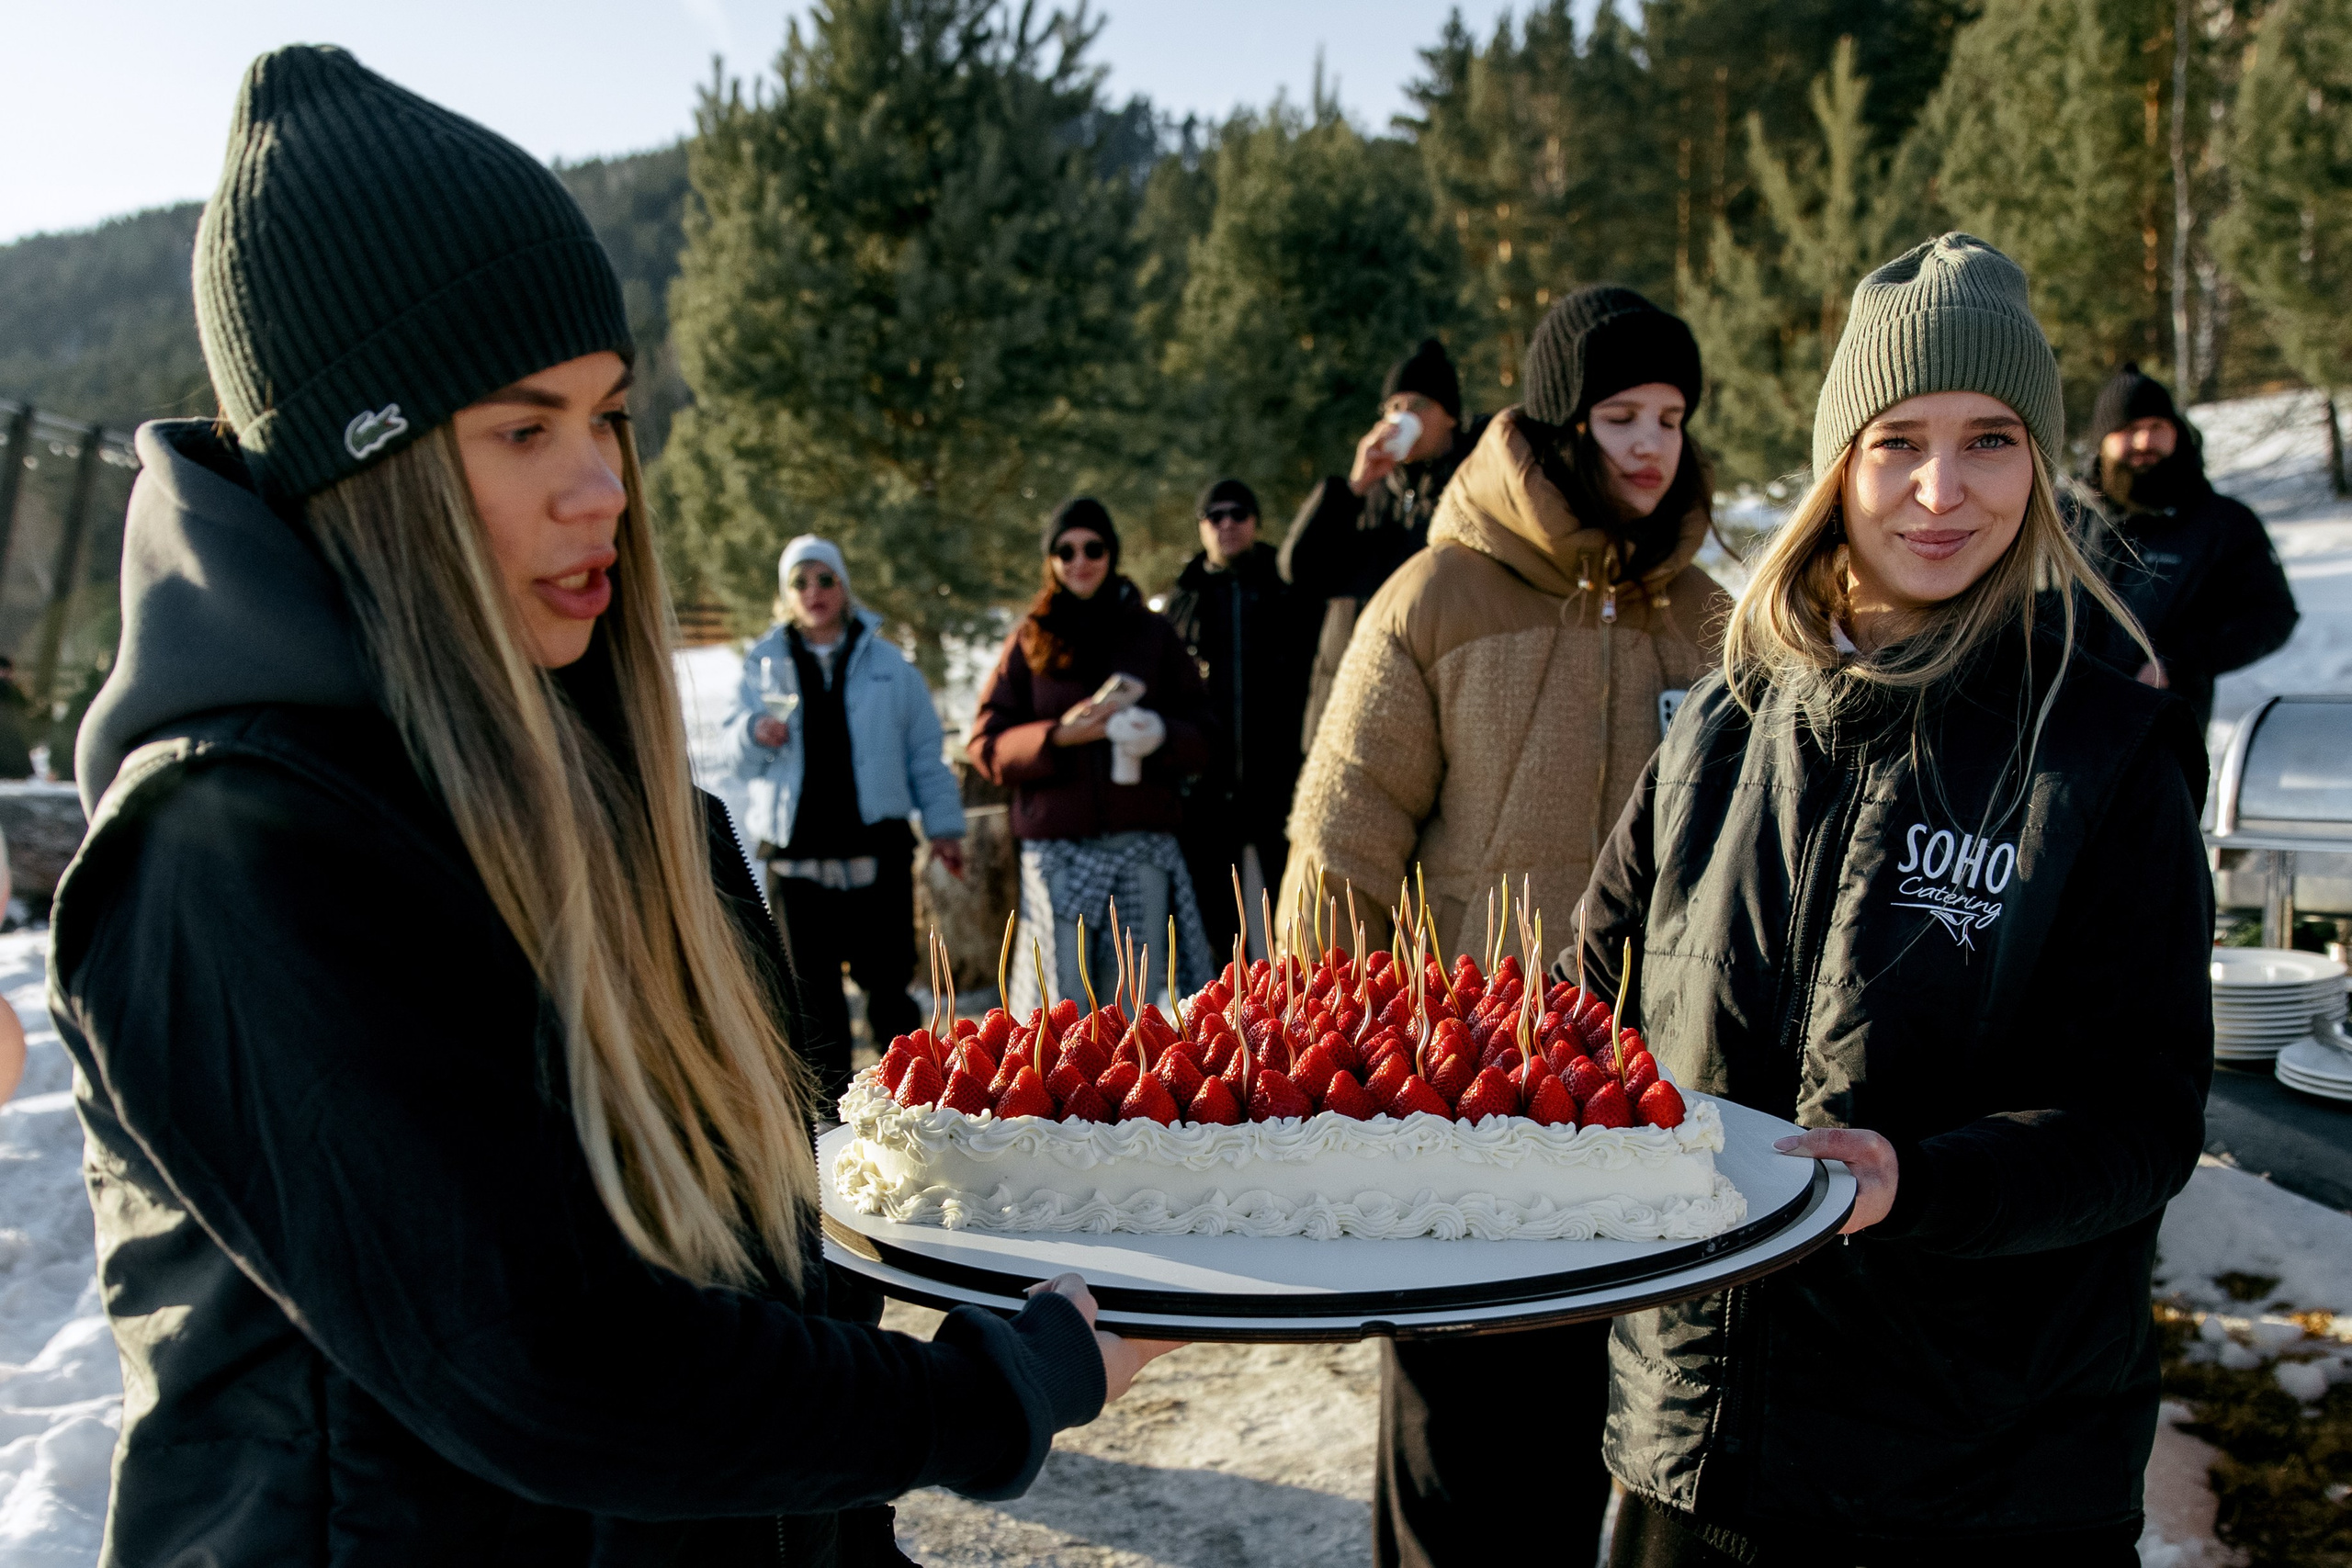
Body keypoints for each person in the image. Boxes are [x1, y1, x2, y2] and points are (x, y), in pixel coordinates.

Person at [46, 48, 1164, 1568]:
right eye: (523, 431)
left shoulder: (650, 820)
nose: (603, 490)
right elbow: (541, 1360)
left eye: (611, 417)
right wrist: (983, 1395)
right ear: (368, 475)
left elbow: (775, 1281)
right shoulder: (225, 855)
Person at [1573, 235, 2211, 1566]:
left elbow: (2140, 1124)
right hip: (1693, 1450)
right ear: (1838, 466)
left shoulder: (2097, 750)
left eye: (1990, 439)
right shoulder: (1723, 726)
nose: (1942, 489)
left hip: (1981, 1477)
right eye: (1898, 439)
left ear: (2039, 462)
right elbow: (1581, 1018)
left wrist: (1915, 1181)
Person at [1282, 286, 1731, 1568]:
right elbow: (1340, 851)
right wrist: (1342, 1087)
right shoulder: (1435, 599)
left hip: (1649, 1104)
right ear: (1553, 424)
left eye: (1673, 417)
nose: (1652, 444)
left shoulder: (1708, 618)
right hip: (1459, 1110)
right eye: (1622, 414)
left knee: (1620, 1448)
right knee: (1461, 1467)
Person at [724, 533, 966, 1105]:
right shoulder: (763, 662)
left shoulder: (888, 665)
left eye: (825, 579)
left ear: (843, 586)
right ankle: (829, 1124)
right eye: (800, 582)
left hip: (874, 856)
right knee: (811, 1005)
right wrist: (754, 732)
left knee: (889, 995)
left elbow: (924, 754)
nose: (814, 592)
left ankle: (914, 1108)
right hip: (797, 860)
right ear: (785, 594)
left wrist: (946, 828)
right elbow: (732, 750)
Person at [968, 497, 1216, 1012]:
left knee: (1136, 1006)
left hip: (1141, 844)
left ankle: (1134, 1094)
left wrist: (1160, 735)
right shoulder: (1030, 637)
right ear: (1051, 560)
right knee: (1063, 1010)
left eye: (1093, 547)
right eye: (1066, 550)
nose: (1080, 560)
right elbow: (986, 746)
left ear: (1112, 552)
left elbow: (1205, 735)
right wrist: (1056, 736)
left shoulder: (1153, 633)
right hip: (1058, 853)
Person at [1281, 337, 1487, 748]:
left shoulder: (1473, 489)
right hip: (1349, 701)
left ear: (1450, 416)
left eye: (1417, 406)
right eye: (1392, 408)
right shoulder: (1366, 495)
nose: (1400, 417)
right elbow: (1300, 570)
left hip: (1433, 703)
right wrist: (1354, 486)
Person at [2077, 361, 2298, 736]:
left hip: (2166, 733)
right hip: (2055, 732)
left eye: (2156, 428)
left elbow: (2272, 615)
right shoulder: (2060, 518)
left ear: (2177, 433)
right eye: (2130, 430)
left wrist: (2180, 662)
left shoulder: (2222, 524)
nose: (2145, 442)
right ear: (2103, 440)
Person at [1162, 478, 1312, 959]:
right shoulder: (1181, 600)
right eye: (1215, 516)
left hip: (1282, 780)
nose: (1227, 524)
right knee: (1221, 931)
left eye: (1239, 513)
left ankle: (1297, 1016)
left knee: (1295, 917)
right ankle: (1231, 1023)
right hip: (1207, 790)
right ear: (1201, 526)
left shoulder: (1288, 588)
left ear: (1256, 522)